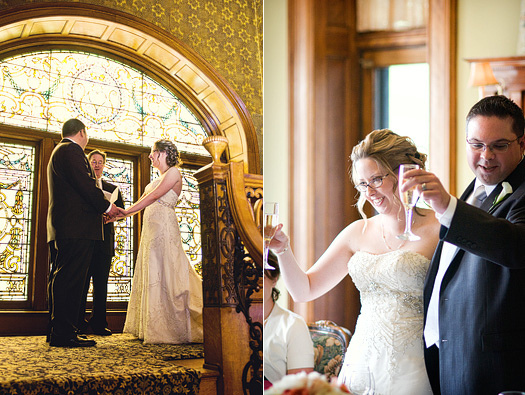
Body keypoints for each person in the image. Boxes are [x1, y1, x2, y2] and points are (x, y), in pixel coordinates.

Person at [270, 129, 440, 394]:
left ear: (403, 173)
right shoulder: (357, 232)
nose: (369, 192)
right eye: (362, 184)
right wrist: (283, 250)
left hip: (413, 365)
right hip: (360, 362)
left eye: (376, 179)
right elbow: (303, 290)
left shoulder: (439, 227)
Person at [400, 95, 525, 395]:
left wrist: (447, 206)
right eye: (477, 145)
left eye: (499, 145)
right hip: (446, 356)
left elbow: (515, 246)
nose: (486, 156)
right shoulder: (473, 190)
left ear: (522, 144)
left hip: (494, 369)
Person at [47, 118, 124, 347]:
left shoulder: (60, 151)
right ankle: (64, 334)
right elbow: (86, 187)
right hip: (75, 228)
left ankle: (60, 330)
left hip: (68, 227)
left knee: (63, 278)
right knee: (69, 281)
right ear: (82, 132)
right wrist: (110, 207)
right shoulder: (71, 151)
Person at [118, 139, 203, 344]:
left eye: (152, 152)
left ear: (163, 153)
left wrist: (126, 213)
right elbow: (144, 199)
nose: (150, 156)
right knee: (153, 269)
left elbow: (155, 195)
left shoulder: (173, 172)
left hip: (164, 227)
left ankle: (173, 326)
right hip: (151, 230)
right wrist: (121, 214)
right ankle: (153, 324)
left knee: (168, 269)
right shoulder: (160, 176)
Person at [77, 149, 125, 336]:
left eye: (100, 161)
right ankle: (78, 322)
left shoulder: (113, 188)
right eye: (93, 161)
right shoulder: (83, 186)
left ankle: (99, 323)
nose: (96, 164)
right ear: (88, 164)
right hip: (86, 241)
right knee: (82, 284)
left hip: (105, 242)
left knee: (101, 284)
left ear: (104, 165)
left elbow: (121, 213)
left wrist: (112, 216)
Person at [263, 251, 314, 389]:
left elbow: (299, 388)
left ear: (274, 279)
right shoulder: (233, 325)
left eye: (260, 276)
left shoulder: (293, 325)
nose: (251, 284)